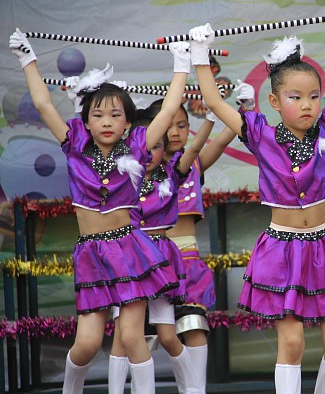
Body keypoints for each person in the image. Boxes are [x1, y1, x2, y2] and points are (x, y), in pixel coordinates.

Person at [188, 0, 325, 394]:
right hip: (282, 251)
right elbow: (215, 102)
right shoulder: (260, 134)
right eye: (295, 97)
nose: (307, 105)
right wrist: (200, 55)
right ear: (274, 101)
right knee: (291, 344)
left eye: (313, 96)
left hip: (324, 248)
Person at [9, 29, 187, 394]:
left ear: (127, 122)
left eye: (115, 114)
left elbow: (169, 109)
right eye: (98, 114)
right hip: (91, 253)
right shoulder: (74, 144)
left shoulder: (138, 145)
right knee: (87, 343)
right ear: (87, 121)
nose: (107, 121)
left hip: (130, 249)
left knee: (133, 336)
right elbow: (44, 105)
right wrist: (28, 59)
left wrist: (183, 61)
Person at [109, 43, 211, 394]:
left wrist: (212, 117)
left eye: (156, 145)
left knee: (170, 335)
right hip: (129, 258)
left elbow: (193, 145)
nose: (149, 152)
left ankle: (194, 389)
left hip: (165, 258)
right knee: (125, 335)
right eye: (143, 147)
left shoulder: (174, 172)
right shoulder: (121, 176)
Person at [164, 84, 241, 393]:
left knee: (195, 327)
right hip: (152, 262)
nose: (174, 132)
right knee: (148, 336)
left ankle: (196, 390)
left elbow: (221, 139)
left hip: (188, 259)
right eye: (168, 125)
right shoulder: (142, 168)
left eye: (182, 125)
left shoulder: (193, 164)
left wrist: (244, 111)